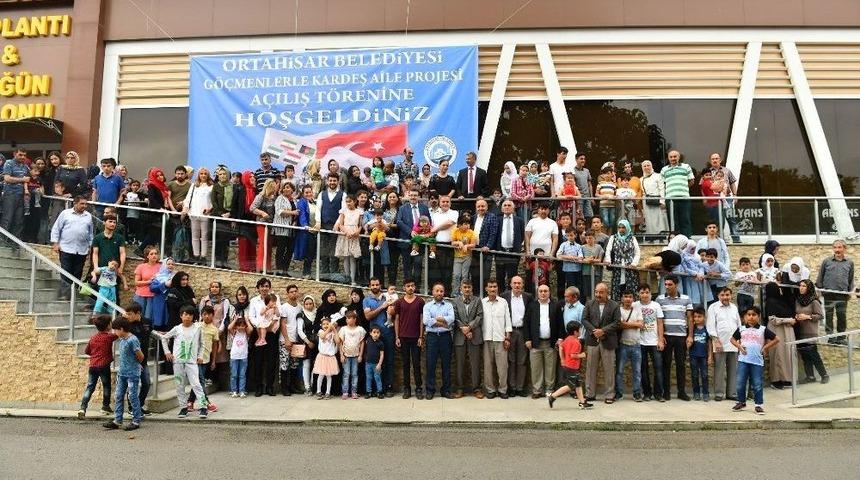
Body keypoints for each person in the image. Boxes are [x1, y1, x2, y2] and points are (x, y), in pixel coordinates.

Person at [156, 305, 208, 419]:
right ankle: (183, 407)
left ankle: (203, 406)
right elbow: (164, 338)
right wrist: (167, 352)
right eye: (185, 314)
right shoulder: (177, 328)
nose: (187, 317)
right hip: (178, 362)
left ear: (193, 316)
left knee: (196, 384)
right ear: (181, 316)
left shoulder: (198, 328)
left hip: (191, 362)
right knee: (180, 385)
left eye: (190, 314)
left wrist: (200, 356)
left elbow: (202, 344)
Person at [731, 306, 779, 415]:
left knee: (757, 384)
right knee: (740, 383)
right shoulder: (741, 329)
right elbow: (732, 339)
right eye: (749, 315)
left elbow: (777, 339)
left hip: (757, 362)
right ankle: (741, 402)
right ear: (745, 317)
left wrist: (765, 347)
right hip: (743, 360)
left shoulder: (763, 329)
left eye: (754, 315)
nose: (751, 317)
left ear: (759, 316)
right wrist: (739, 346)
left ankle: (758, 405)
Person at [102, 317, 145, 431]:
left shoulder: (132, 340)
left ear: (121, 329)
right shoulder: (122, 340)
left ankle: (136, 420)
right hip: (122, 373)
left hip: (132, 373)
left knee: (132, 396)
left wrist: (136, 364)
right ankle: (117, 420)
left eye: (116, 330)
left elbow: (140, 356)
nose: (114, 332)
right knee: (119, 395)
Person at [582, 282, 621, 403]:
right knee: (590, 369)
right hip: (592, 341)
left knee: (609, 369)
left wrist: (603, 331)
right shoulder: (589, 304)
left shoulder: (614, 305)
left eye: (601, 292)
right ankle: (590, 394)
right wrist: (594, 331)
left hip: (608, 341)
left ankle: (610, 395)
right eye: (596, 292)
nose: (598, 294)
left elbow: (617, 322)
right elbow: (584, 319)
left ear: (607, 292)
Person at [657, 274, 693, 401]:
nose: (667, 287)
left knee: (681, 365)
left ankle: (681, 392)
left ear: (676, 285)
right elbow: (658, 320)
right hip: (666, 337)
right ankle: (666, 392)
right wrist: (660, 337)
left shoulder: (686, 299)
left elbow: (689, 318)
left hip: (681, 337)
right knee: (665, 364)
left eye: (670, 284)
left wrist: (690, 336)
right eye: (665, 284)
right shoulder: (659, 299)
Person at [51, 196, 94, 300]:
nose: (84, 206)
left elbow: (90, 233)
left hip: (81, 250)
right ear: (75, 203)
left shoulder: (88, 216)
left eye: (85, 204)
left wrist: (90, 246)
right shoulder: (65, 213)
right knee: (66, 271)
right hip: (66, 248)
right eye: (82, 204)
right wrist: (55, 243)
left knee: (77, 272)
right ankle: (66, 295)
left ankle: (73, 294)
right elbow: (56, 228)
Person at [524, 284, 561, 399]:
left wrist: (559, 339)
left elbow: (560, 323)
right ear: (537, 293)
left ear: (549, 292)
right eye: (541, 291)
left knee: (550, 368)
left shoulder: (555, 306)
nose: (543, 293)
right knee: (536, 368)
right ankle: (537, 390)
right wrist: (527, 339)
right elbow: (526, 323)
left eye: (545, 291)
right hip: (535, 343)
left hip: (550, 342)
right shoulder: (532, 306)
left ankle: (549, 390)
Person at [706, 286, 741, 402]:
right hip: (720, 343)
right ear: (718, 296)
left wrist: (739, 342)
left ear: (731, 296)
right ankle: (719, 393)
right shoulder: (713, 307)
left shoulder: (734, 307)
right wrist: (716, 340)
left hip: (734, 344)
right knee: (719, 369)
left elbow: (738, 325)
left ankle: (732, 393)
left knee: (733, 369)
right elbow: (710, 326)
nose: (725, 297)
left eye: (727, 295)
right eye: (722, 295)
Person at [547, 320, 592, 409]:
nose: (580, 332)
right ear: (575, 332)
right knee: (571, 386)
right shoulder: (576, 342)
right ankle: (553, 396)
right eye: (579, 330)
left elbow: (560, 346)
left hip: (568, 365)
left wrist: (562, 359)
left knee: (578, 383)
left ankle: (582, 402)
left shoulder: (567, 339)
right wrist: (582, 355)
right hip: (572, 367)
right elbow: (573, 355)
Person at [78, 315, 117, 418]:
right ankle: (105, 406)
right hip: (104, 366)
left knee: (90, 387)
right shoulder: (109, 337)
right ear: (108, 325)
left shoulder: (93, 338)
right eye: (110, 323)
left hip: (93, 366)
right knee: (106, 386)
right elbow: (119, 334)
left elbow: (87, 351)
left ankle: (82, 407)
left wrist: (96, 355)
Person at [817, 239, 854, 344]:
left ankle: (841, 338)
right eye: (835, 247)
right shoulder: (827, 261)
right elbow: (821, 275)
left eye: (839, 247)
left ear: (844, 249)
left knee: (841, 316)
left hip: (842, 294)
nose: (837, 250)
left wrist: (849, 292)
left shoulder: (849, 263)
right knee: (828, 316)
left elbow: (850, 278)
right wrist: (819, 289)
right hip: (828, 293)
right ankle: (830, 337)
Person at [363, 277, 396, 396]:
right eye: (373, 285)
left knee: (389, 360)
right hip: (374, 336)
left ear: (380, 285)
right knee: (374, 361)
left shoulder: (388, 297)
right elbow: (368, 316)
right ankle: (376, 389)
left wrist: (390, 308)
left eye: (377, 284)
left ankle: (389, 386)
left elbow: (394, 313)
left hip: (388, 333)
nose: (375, 287)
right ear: (369, 286)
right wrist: (382, 307)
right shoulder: (366, 300)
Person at [393, 278, 426, 399]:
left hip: (416, 338)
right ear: (404, 288)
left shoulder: (420, 301)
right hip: (403, 337)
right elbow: (396, 319)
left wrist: (421, 336)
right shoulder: (399, 302)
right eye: (408, 286)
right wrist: (397, 336)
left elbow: (422, 320)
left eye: (412, 286)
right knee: (405, 364)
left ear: (415, 287)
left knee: (417, 364)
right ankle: (407, 389)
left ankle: (418, 388)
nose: (410, 288)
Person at [423, 282, 455, 399]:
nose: (439, 293)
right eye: (437, 291)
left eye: (441, 291)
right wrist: (443, 323)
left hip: (446, 337)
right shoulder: (427, 306)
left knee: (446, 365)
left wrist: (436, 320)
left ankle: (446, 390)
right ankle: (430, 390)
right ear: (432, 292)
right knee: (430, 364)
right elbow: (426, 321)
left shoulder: (449, 305)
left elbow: (451, 319)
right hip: (432, 338)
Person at [248, 278, 281, 396]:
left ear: (269, 287)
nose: (264, 288)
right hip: (259, 332)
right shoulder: (254, 301)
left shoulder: (275, 298)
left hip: (271, 333)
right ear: (258, 288)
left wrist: (270, 325)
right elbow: (251, 316)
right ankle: (258, 387)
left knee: (271, 360)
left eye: (266, 286)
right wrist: (260, 325)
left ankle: (270, 387)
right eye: (262, 286)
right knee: (258, 361)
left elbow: (279, 314)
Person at [501, 275, 532, 397]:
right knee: (511, 360)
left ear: (523, 285)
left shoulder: (528, 297)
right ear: (511, 284)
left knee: (522, 361)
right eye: (515, 283)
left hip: (523, 332)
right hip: (510, 331)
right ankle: (512, 387)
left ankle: (520, 387)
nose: (517, 285)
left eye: (519, 283)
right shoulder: (504, 296)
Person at [452, 279, 484, 398]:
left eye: (469, 287)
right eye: (464, 287)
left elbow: (480, 316)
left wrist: (469, 327)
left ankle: (477, 388)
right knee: (459, 364)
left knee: (475, 364)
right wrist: (463, 329)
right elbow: (454, 317)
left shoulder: (477, 300)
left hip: (474, 335)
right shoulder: (455, 301)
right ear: (461, 288)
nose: (467, 289)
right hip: (460, 336)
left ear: (472, 289)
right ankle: (460, 388)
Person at [633, 284, 664, 402]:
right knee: (643, 368)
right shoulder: (635, 305)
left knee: (658, 368)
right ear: (638, 294)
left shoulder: (656, 305)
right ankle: (647, 393)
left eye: (647, 292)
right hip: (640, 342)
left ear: (651, 293)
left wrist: (660, 340)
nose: (644, 295)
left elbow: (660, 323)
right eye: (642, 292)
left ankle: (658, 393)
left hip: (654, 341)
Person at [795, 279, 828, 384]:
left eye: (804, 286)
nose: (801, 288)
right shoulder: (798, 300)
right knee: (805, 355)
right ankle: (810, 376)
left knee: (814, 354)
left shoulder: (814, 301)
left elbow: (820, 316)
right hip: (800, 331)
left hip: (810, 331)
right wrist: (796, 316)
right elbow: (796, 312)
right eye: (800, 285)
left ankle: (824, 375)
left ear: (809, 288)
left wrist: (807, 316)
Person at [188, 305, 220, 412]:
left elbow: (215, 346)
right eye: (204, 314)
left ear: (212, 316)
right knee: (200, 381)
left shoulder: (214, 330)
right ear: (201, 315)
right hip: (195, 359)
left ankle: (190, 402)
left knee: (197, 381)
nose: (207, 316)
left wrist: (214, 360)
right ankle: (206, 402)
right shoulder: (196, 326)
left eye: (209, 314)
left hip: (205, 359)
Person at [764, 282, 796, 389]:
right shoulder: (770, 302)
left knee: (787, 354)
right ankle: (776, 380)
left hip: (787, 330)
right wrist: (789, 320)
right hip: (777, 330)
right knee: (777, 354)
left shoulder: (782, 301)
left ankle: (787, 379)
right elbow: (772, 319)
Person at [615, 290, 644, 401]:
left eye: (630, 297)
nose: (628, 299)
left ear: (633, 299)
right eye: (625, 296)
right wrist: (634, 324)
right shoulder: (618, 310)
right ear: (622, 298)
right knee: (619, 371)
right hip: (623, 344)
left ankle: (637, 393)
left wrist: (626, 325)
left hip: (636, 345)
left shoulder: (637, 310)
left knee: (637, 371)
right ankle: (618, 392)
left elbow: (641, 325)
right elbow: (620, 325)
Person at [397, 188, 431, 281]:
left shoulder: (424, 208)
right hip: (406, 241)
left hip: (420, 241)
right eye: (411, 195)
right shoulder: (402, 208)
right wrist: (410, 231)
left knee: (418, 264)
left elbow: (429, 222)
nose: (413, 197)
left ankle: (417, 286)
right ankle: (408, 286)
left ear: (418, 197)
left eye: (415, 195)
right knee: (407, 266)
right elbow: (399, 222)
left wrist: (425, 234)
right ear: (408, 196)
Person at [182, 167, 213, 265]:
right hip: (194, 213)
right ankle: (196, 255)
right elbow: (188, 198)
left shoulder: (211, 186)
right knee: (194, 236)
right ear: (198, 175)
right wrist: (185, 209)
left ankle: (203, 256)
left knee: (204, 236)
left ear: (208, 175)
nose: (203, 175)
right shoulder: (194, 186)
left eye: (205, 173)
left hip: (205, 214)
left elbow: (213, 201)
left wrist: (210, 209)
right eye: (201, 173)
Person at [316, 173, 346, 275]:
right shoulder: (322, 194)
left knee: (334, 250)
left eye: (334, 181)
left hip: (335, 226)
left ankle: (334, 273)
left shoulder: (343, 194)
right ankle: (324, 272)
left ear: (338, 182)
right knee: (323, 250)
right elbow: (318, 209)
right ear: (327, 181)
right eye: (330, 180)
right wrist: (318, 222)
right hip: (324, 225)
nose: (332, 182)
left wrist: (338, 223)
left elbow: (343, 211)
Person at [604, 219, 640, 301]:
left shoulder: (632, 238)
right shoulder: (613, 237)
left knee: (630, 288)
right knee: (618, 288)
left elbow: (637, 252)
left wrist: (634, 263)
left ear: (627, 228)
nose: (621, 229)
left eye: (623, 227)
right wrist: (608, 260)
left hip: (630, 268)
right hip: (617, 266)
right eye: (619, 227)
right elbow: (608, 250)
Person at [660, 150, 695, 237]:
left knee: (685, 219)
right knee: (672, 220)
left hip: (684, 197)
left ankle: (686, 239)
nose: (673, 158)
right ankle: (675, 240)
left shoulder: (686, 166)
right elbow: (662, 185)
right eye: (671, 157)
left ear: (679, 157)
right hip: (670, 199)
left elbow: (691, 181)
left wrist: (682, 188)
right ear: (668, 158)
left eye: (675, 156)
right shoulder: (664, 169)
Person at [430, 195, 458, 294]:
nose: (445, 203)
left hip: (449, 246)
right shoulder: (435, 214)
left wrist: (435, 228)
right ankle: (435, 291)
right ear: (439, 203)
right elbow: (432, 229)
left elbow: (449, 223)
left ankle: (447, 292)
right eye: (443, 202)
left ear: (450, 203)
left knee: (447, 271)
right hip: (437, 245)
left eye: (447, 202)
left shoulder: (454, 213)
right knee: (436, 270)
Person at [334, 194, 363, 284]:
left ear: (354, 201)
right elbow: (341, 224)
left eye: (350, 201)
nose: (348, 203)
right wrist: (346, 232)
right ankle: (347, 278)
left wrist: (357, 232)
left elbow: (360, 225)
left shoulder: (359, 212)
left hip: (354, 234)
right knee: (346, 257)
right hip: (345, 234)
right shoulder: (343, 211)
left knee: (352, 258)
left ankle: (353, 279)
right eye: (347, 201)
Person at [495, 200, 525, 289]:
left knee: (512, 277)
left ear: (513, 208)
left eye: (509, 205)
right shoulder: (497, 219)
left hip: (513, 252)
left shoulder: (519, 221)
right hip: (500, 252)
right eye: (505, 205)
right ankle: (500, 297)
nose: (507, 207)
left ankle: (510, 297)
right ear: (501, 208)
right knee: (499, 277)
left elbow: (522, 235)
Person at [470, 198, 498, 289]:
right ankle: (476, 291)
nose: (480, 208)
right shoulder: (474, 217)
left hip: (486, 250)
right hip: (475, 249)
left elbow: (493, 233)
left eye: (483, 206)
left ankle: (484, 293)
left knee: (485, 273)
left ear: (487, 207)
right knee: (474, 272)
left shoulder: (492, 217)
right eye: (478, 206)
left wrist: (488, 246)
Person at [338, 310, 366, 399]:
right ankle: (345, 391)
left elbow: (362, 343)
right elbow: (340, 343)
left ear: (355, 319)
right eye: (347, 318)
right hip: (346, 355)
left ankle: (354, 391)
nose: (347, 320)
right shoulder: (343, 329)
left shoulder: (360, 329)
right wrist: (341, 355)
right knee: (346, 374)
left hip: (356, 356)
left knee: (354, 374)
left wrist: (361, 355)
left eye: (349, 318)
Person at [272, 181, 298, 276]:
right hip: (281, 228)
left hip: (291, 229)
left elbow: (296, 214)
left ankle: (285, 270)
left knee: (290, 250)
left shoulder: (294, 200)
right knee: (281, 249)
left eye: (288, 187)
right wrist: (292, 213)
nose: (286, 189)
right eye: (284, 187)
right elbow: (280, 211)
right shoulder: (279, 199)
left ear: (292, 190)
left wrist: (295, 221)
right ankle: (279, 270)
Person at [313, 316, 339, 399]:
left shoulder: (332, 333)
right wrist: (329, 328)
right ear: (321, 325)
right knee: (321, 374)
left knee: (329, 376)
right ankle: (318, 391)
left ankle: (328, 392)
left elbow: (338, 341)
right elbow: (322, 336)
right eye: (324, 324)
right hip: (322, 356)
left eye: (327, 324)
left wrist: (334, 329)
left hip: (330, 357)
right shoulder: (320, 331)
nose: (325, 325)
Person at [640, 160, 668, 239]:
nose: (646, 167)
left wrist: (662, 201)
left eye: (648, 165)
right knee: (649, 220)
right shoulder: (641, 179)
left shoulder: (658, 176)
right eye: (644, 166)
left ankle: (662, 236)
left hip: (657, 201)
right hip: (647, 202)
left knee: (660, 219)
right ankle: (651, 237)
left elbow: (662, 189)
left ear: (651, 166)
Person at [689, 307, 712, 401]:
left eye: (699, 316)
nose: (697, 319)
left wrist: (710, 356)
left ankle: (706, 393)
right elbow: (688, 341)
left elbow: (710, 344)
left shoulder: (707, 329)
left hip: (704, 356)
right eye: (695, 317)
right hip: (693, 355)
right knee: (694, 375)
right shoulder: (691, 329)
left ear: (704, 317)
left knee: (705, 375)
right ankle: (696, 392)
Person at [228, 315, 253, 397]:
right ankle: (234, 390)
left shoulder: (246, 334)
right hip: (234, 357)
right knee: (234, 375)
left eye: (243, 326)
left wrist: (246, 320)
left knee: (242, 375)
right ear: (236, 326)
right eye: (239, 325)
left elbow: (251, 329)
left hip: (243, 357)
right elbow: (229, 328)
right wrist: (235, 320)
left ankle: (242, 390)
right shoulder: (234, 333)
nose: (241, 327)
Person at [451, 216, 477, 294]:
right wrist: (459, 242)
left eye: (468, 224)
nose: (467, 226)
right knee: (456, 275)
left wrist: (466, 246)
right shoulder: (455, 231)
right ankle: (455, 292)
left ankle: (463, 291)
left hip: (467, 257)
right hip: (457, 257)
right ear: (459, 225)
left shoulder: (471, 232)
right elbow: (452, 242)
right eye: (465, 224)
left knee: (465, 275)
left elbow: (473, 244)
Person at [557, 228, 584, 292]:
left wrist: (567, 257)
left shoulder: (579, 246)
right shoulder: (563, 245)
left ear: (575, 235)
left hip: (578, 269)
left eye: (571, 235)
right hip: (568, 269)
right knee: (570, 286)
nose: (569, 237)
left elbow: (580, 257)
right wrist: (570, 257)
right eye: (567, 235)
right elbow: (558, 255)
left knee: (578, 286)